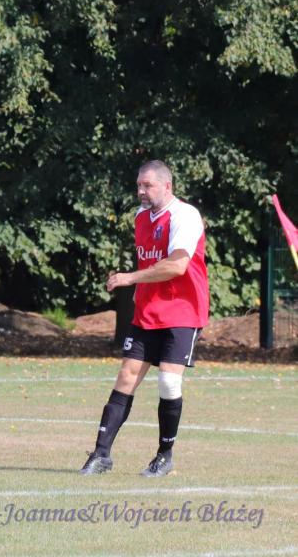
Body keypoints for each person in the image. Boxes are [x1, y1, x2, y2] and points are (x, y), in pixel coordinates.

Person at [80, 160, 208, 477]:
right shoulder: (141, 217)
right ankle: (100, 455)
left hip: (182, 310)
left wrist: (131, 278)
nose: (141, 191)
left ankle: (164, 456)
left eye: (147, 185)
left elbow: (177, 265)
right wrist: (139, 289)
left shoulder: (184, 215)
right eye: (139, 185)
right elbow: (150, 261)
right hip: (148, 311)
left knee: (168, 381)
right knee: (126, 376)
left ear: (167, 186)